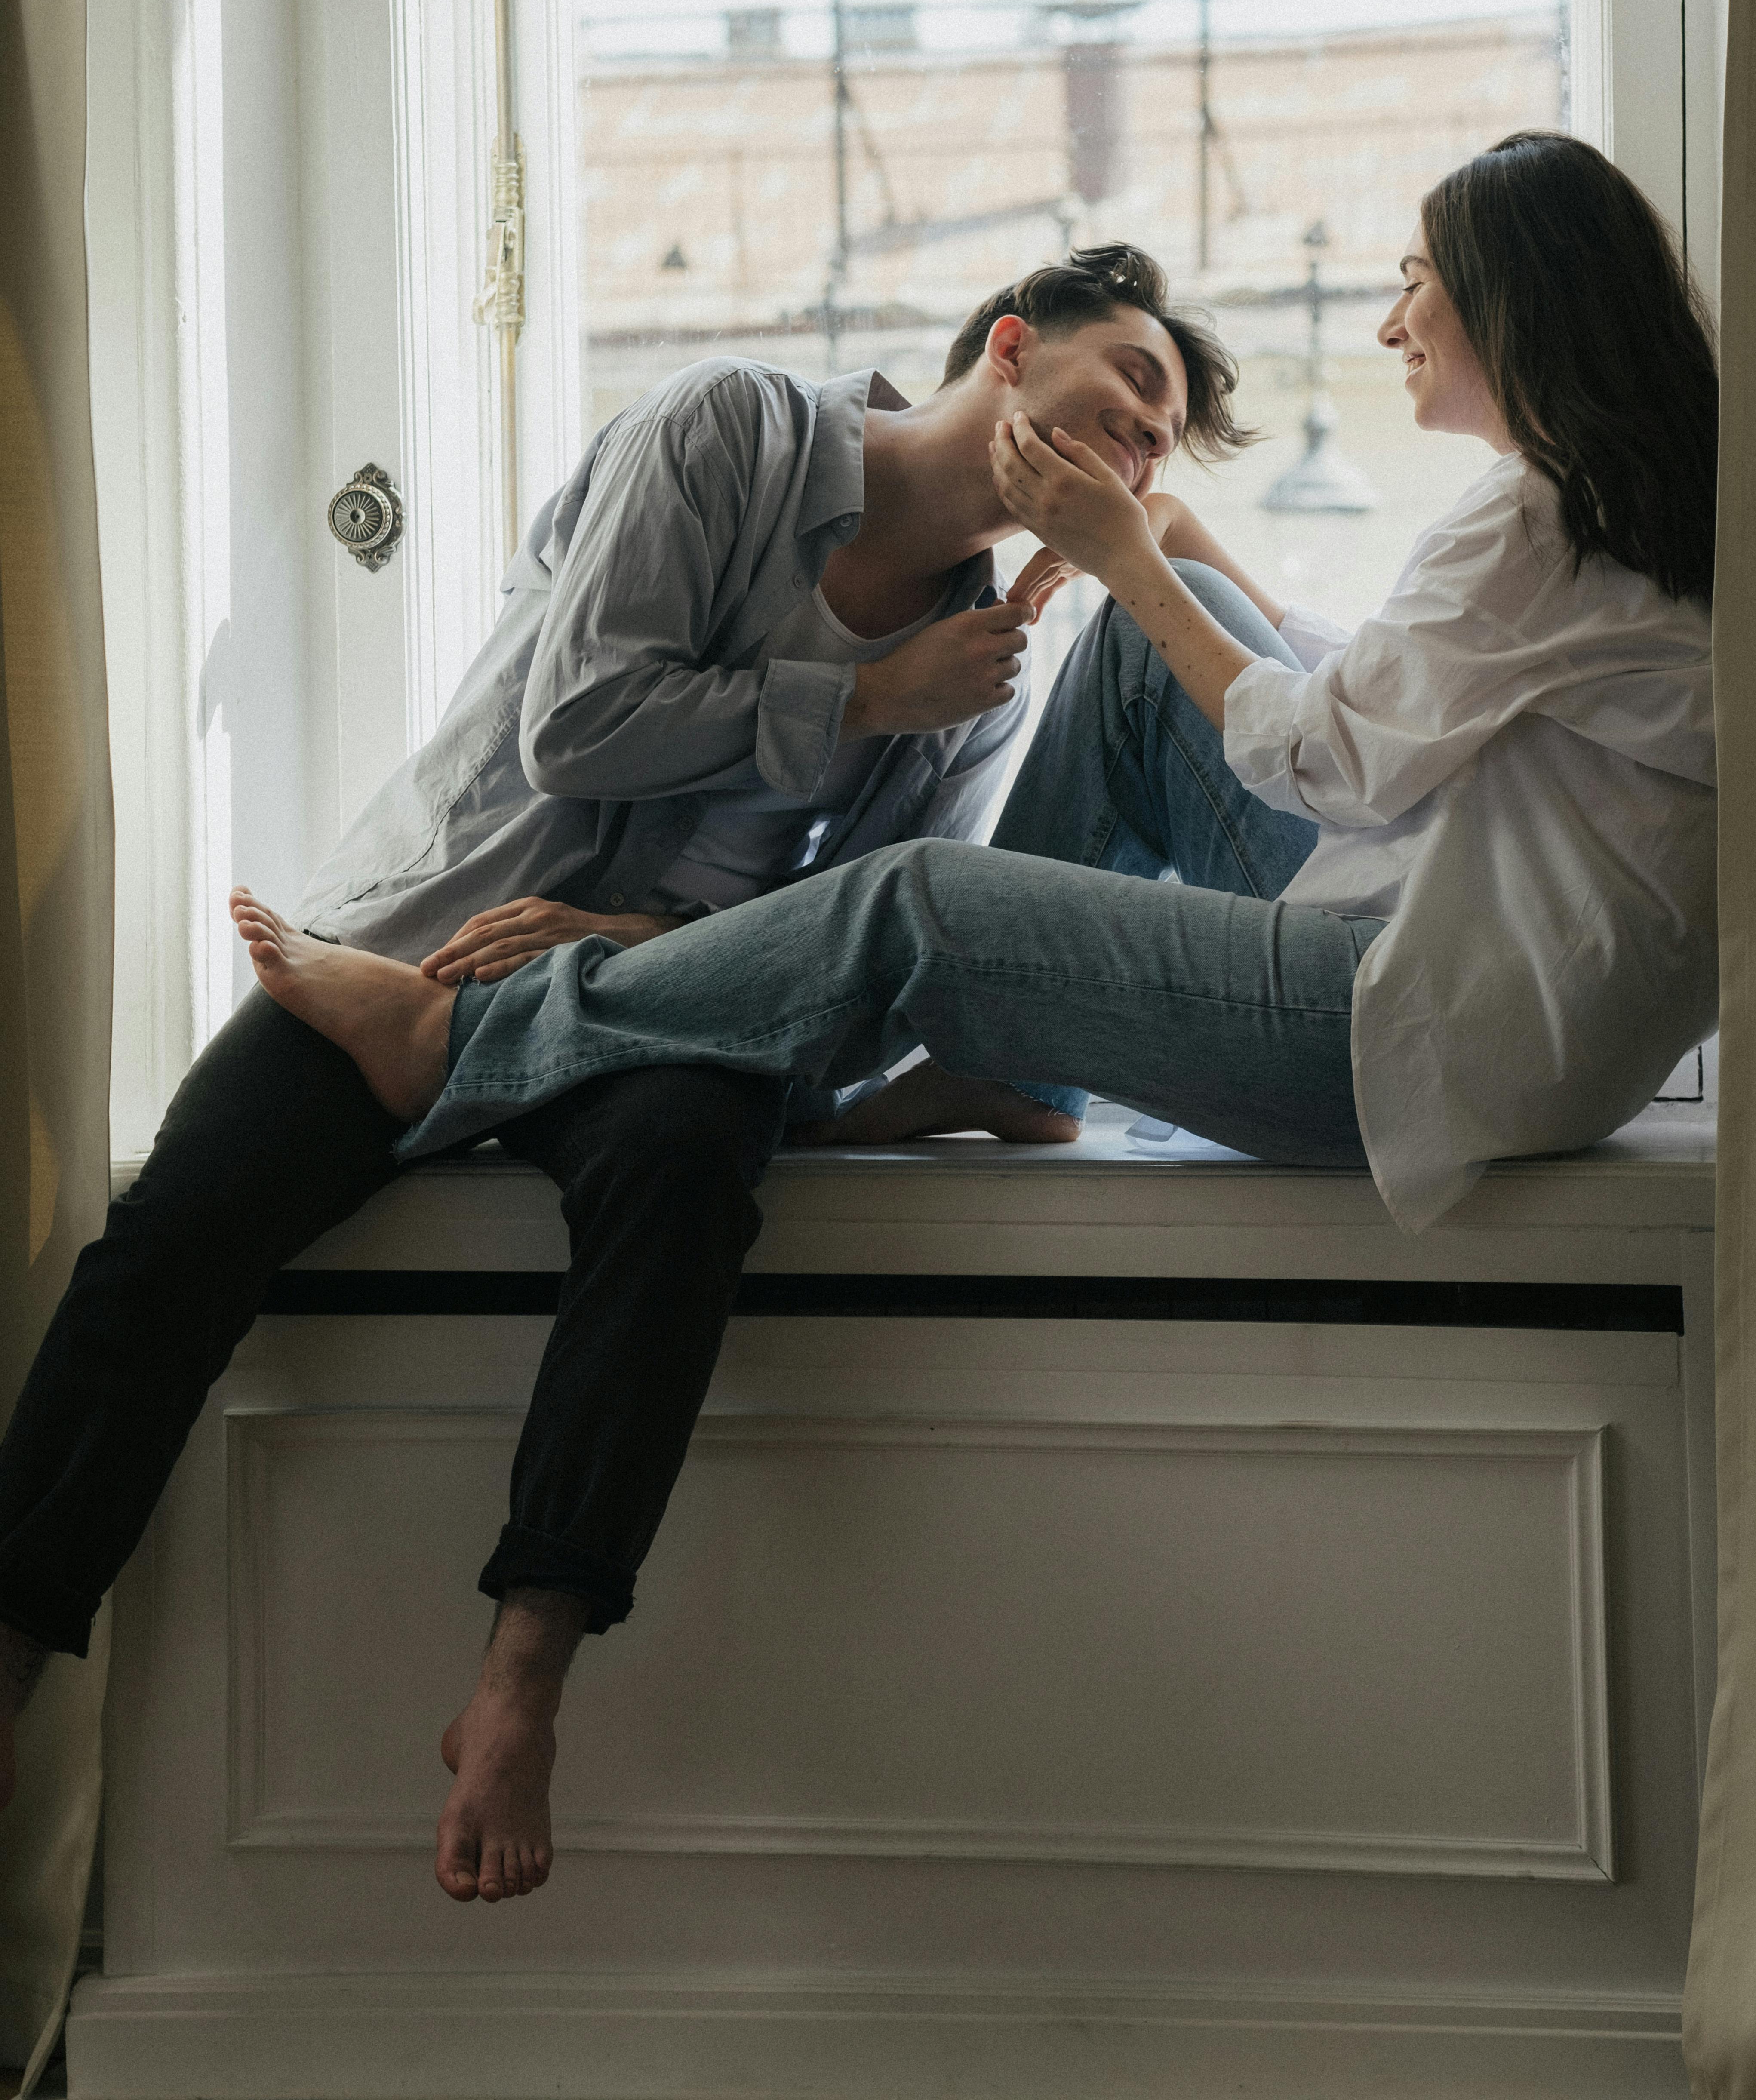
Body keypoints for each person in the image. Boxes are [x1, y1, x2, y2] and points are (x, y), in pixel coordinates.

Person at [226, 132, 1717, 1900]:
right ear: (1009, 345)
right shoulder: (1620, 510)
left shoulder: (1527, 516)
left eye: (1417, 277)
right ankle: (1000, 1066)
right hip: (1507, 1005)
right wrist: (1167, 562)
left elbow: (1335, 756)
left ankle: (468, 1038)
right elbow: (1384, 716)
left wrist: (1131, 553)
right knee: (1119, 673)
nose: (1392, 313)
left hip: (1409, 1025)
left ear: (1509, 301)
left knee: (919, 901)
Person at [0, 245, 1253, 1870]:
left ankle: (519, 1687)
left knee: (682, 1181)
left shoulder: (986, 671)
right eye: (1132, 391)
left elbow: (854, 961)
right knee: (181, 1224)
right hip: (438, 925)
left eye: (1162, 451)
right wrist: (868, 697)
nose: (1141, 450)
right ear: (1010, 350)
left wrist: (634, 949)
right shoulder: (728, 429)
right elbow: (577, 722)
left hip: (671, 999)